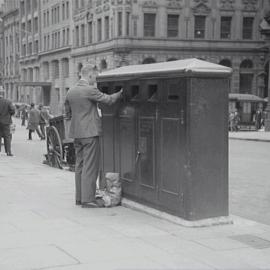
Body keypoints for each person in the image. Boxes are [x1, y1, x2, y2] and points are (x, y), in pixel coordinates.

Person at [64, 64, 122, 208]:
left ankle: (79, 198)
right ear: (89, 75)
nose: (95, 79)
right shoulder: (89, 90)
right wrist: (121, 92)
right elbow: (109, 100)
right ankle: (88, 200)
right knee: (90, 166)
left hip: (77, 134)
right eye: (94, 76)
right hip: (90, 133)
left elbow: (67, 112)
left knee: (80, 165)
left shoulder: (71, 91)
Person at [0, 92, 15, 156]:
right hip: (6, 121)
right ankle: (8, 151)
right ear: (3, 95)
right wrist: (8, 115)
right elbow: (13, 110)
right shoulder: (8, 102)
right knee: (7, 137)